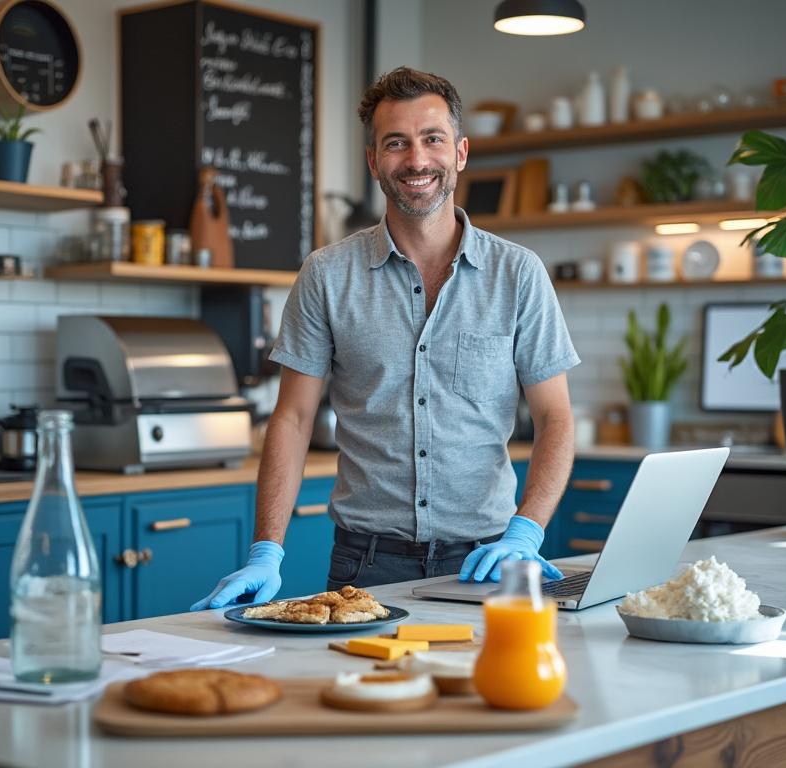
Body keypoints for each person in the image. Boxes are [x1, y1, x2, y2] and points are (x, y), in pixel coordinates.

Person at [192, 67, 579, 611]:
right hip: (364, 564)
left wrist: (527, 531)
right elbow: (293, 418)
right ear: (374, 161)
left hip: (492, 559)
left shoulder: (518, 274)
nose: (417, 160)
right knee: (368, 691)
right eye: (396, 143)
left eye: (432, 139)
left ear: (460, 152)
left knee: (486, 693)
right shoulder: (326, 275)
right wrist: (266, 550)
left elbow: (556, 419)